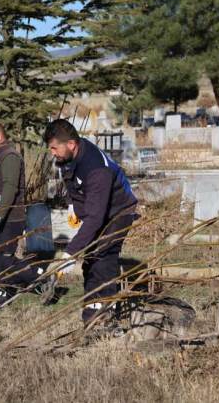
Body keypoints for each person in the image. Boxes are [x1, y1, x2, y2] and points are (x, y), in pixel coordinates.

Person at [43, 119, 138, 324]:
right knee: (90, 261)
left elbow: (96, 218)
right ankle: (92, 310)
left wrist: (69, 255)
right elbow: (72, 185)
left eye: (54, 147)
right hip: (97, 209)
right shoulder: (66, 158)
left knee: (103, 257)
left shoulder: (96, 169)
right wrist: (72, 206)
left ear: (70, 144)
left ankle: (104, 317)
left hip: (118, 211)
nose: (52, 152)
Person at [0, 120, 34, 305]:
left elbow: (10, 188)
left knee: (4, 260)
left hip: (9, 219)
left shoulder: (9, 156)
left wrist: (0, 214)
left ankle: (40, 278)